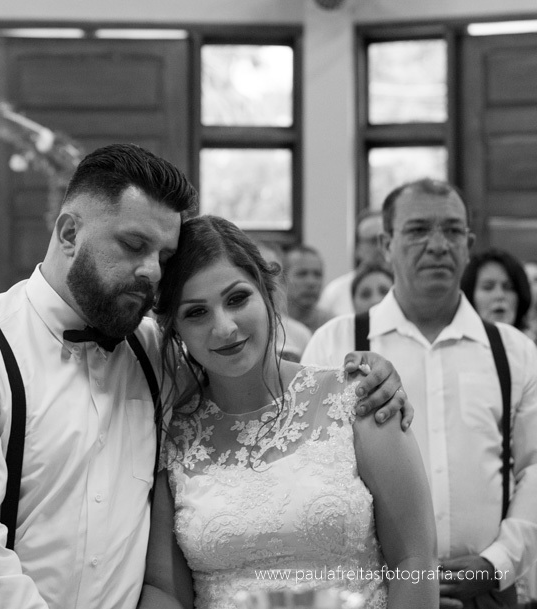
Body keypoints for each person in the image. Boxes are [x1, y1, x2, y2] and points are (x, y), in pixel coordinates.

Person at [0, 143, 408, 609]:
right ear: (70, 233)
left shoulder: (153, 350)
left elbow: (246, 376)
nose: (154, 273)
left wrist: (373, 372)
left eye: (163, 255)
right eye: (134, 245)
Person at [141, 215, 436, 609]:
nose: (225, 327)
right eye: (196, 313)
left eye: (237, 298)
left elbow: (414, 560)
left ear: (267, 292)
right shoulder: (173, 435)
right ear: (174, 328)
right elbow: (164, 590)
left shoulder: (359, 398)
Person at [304, 179, 537, 609]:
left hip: (488, 594)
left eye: (451, 231)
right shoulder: (336, 343)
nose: (437, 245)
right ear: (386, 244)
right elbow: (313, 472)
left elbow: (534, 468)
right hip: (375, 592)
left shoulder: (514, 351)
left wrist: (497, 561)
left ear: (468, 244)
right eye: (417, 230)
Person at [319, 209, 386, 317]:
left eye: (384, 240)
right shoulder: (335, 292)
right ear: (358, 247)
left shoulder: (409, 286)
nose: (380, 247)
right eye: (373, 241)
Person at [254, 240, 313, 362]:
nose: (265, 279)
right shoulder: (234, 332)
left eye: (272, 270)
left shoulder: (301, 334)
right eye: (257, 270)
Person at [462, 248, 533, 333]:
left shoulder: (529, 345)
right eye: (488, 287)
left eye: (508, 288)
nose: (499, 295)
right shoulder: (454, 344)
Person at [283, 243, 333, 333]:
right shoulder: (271, 324)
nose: (311, 282)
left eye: (318, 274)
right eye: (302, 274)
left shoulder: (332, 325)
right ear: (283, 279)